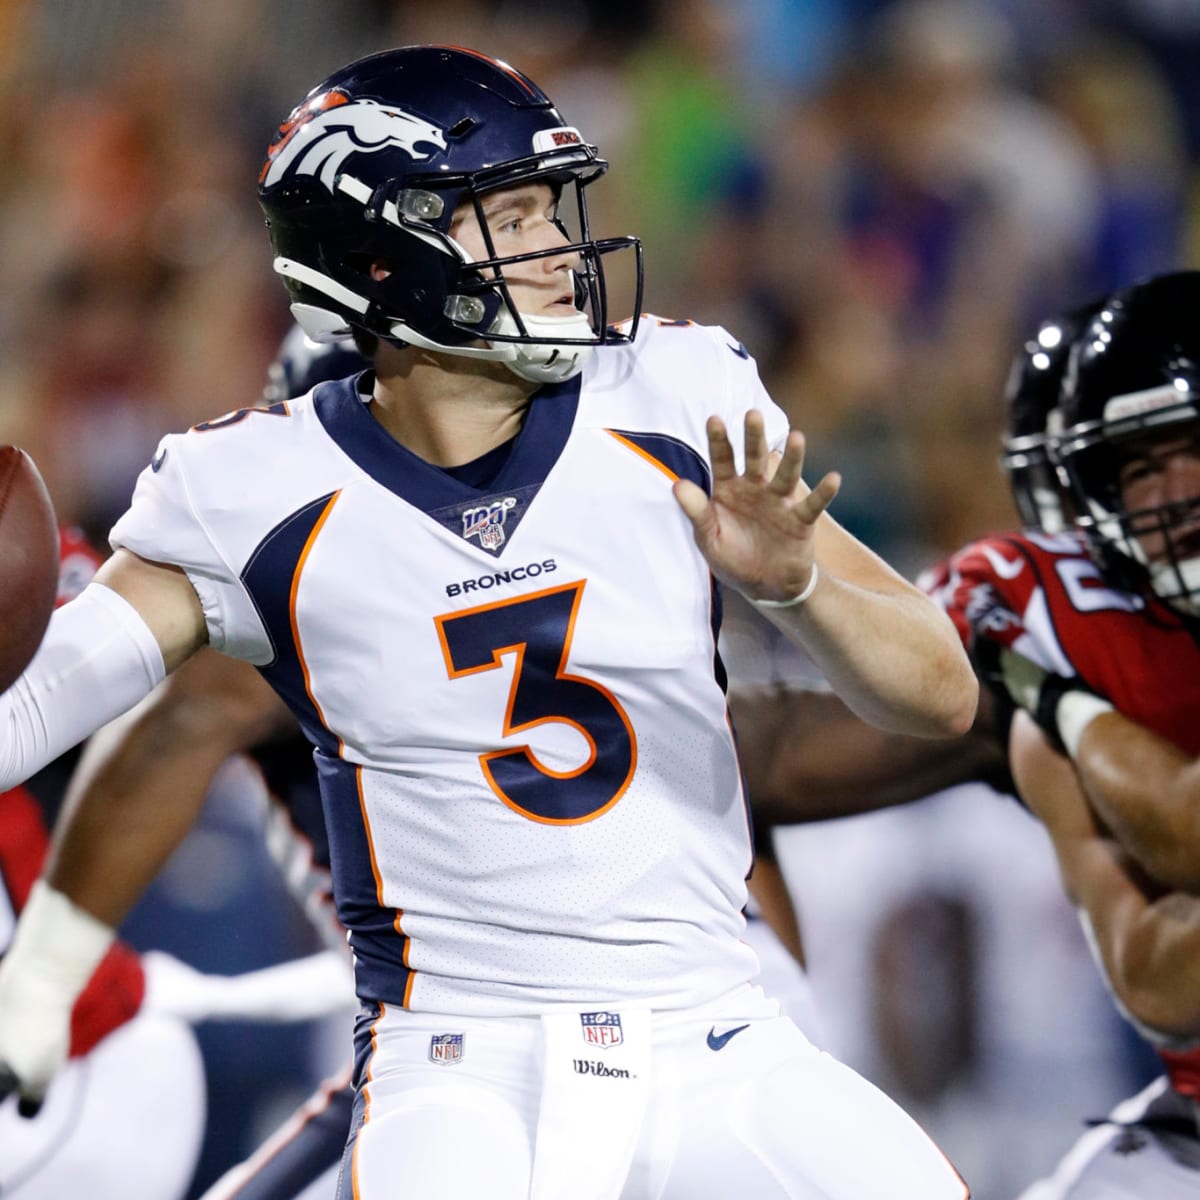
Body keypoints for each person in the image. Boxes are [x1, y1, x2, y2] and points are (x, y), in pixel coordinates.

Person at [0, 45, 976, 1200]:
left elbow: (939, 695)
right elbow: (54, 699)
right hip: (460, 1066)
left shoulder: (673, 394)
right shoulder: (251, 489)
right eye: (507, 220)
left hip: (713, 1028)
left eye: (550, 212)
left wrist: (797, 585)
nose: (561, 252)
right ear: (381, 253)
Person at [973, 271, 1200, 1196]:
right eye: (1141, 468)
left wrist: (1064, 704)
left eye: (1194, 452)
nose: (1175, 498)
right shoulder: (1064, 676)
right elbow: (1155, 983)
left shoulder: (1052, 697)